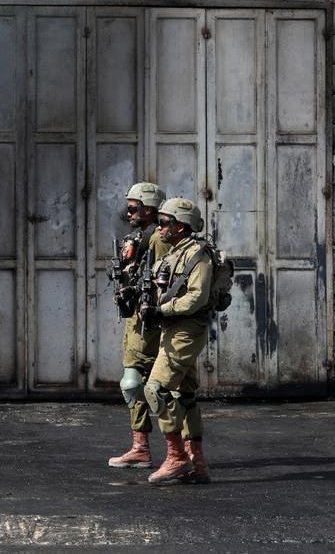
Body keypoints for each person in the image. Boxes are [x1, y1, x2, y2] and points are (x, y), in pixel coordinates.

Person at [140, 197, 212, 485]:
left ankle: (177, 457)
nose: (160, 227)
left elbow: (197, 296)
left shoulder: (198, 255)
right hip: (172, 328)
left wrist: (163, 309)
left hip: (186, 329)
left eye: (165, 222)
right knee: (185, 394)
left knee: (155, 389)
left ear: (180, 226)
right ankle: (198, 461)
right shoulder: (174, 253)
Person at [107, 182, 170, 469]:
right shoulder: (141, 237)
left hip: (153, 321)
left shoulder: (161, 238)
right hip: (136, 318)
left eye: (133, 208)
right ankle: (140, 448)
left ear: (148, 208)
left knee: (160, 387)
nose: (128, 213)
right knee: (132, 384)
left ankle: (179, 451)